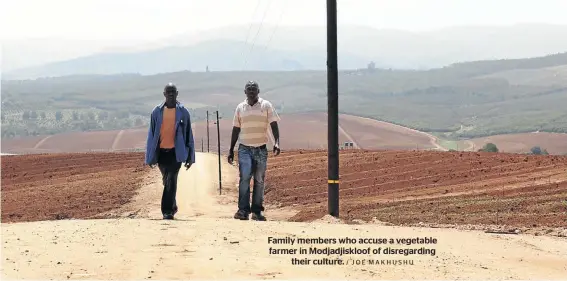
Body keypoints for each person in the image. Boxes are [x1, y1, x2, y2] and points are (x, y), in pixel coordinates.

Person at [228, 80, 281, 221]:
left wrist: (277, 142)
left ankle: (257, 211)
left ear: (258, 91)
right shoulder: (240, 107)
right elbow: (235, 129)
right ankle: (243, 210)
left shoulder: (266, 105)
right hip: (244, 148)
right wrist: (231, 149)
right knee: (244, 179)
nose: (251, 91)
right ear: (245, 92)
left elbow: (274, 125)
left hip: (261, 150)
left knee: (259, 180)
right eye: (249, 89)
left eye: (254, 89)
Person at [145, 83, 196, 220]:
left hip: (176, 152)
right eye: (168, 92)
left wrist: (190, 157)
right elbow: (151, 135)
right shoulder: (156, 112)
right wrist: (149, 157)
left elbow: (188, 135)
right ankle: (172, 205)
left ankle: (167, 211)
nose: (171, 94)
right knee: (167, 180)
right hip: (161, 152)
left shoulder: (183, 112)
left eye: (173, 92)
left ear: (177, 93)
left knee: (171, 179)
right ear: (164, 94)